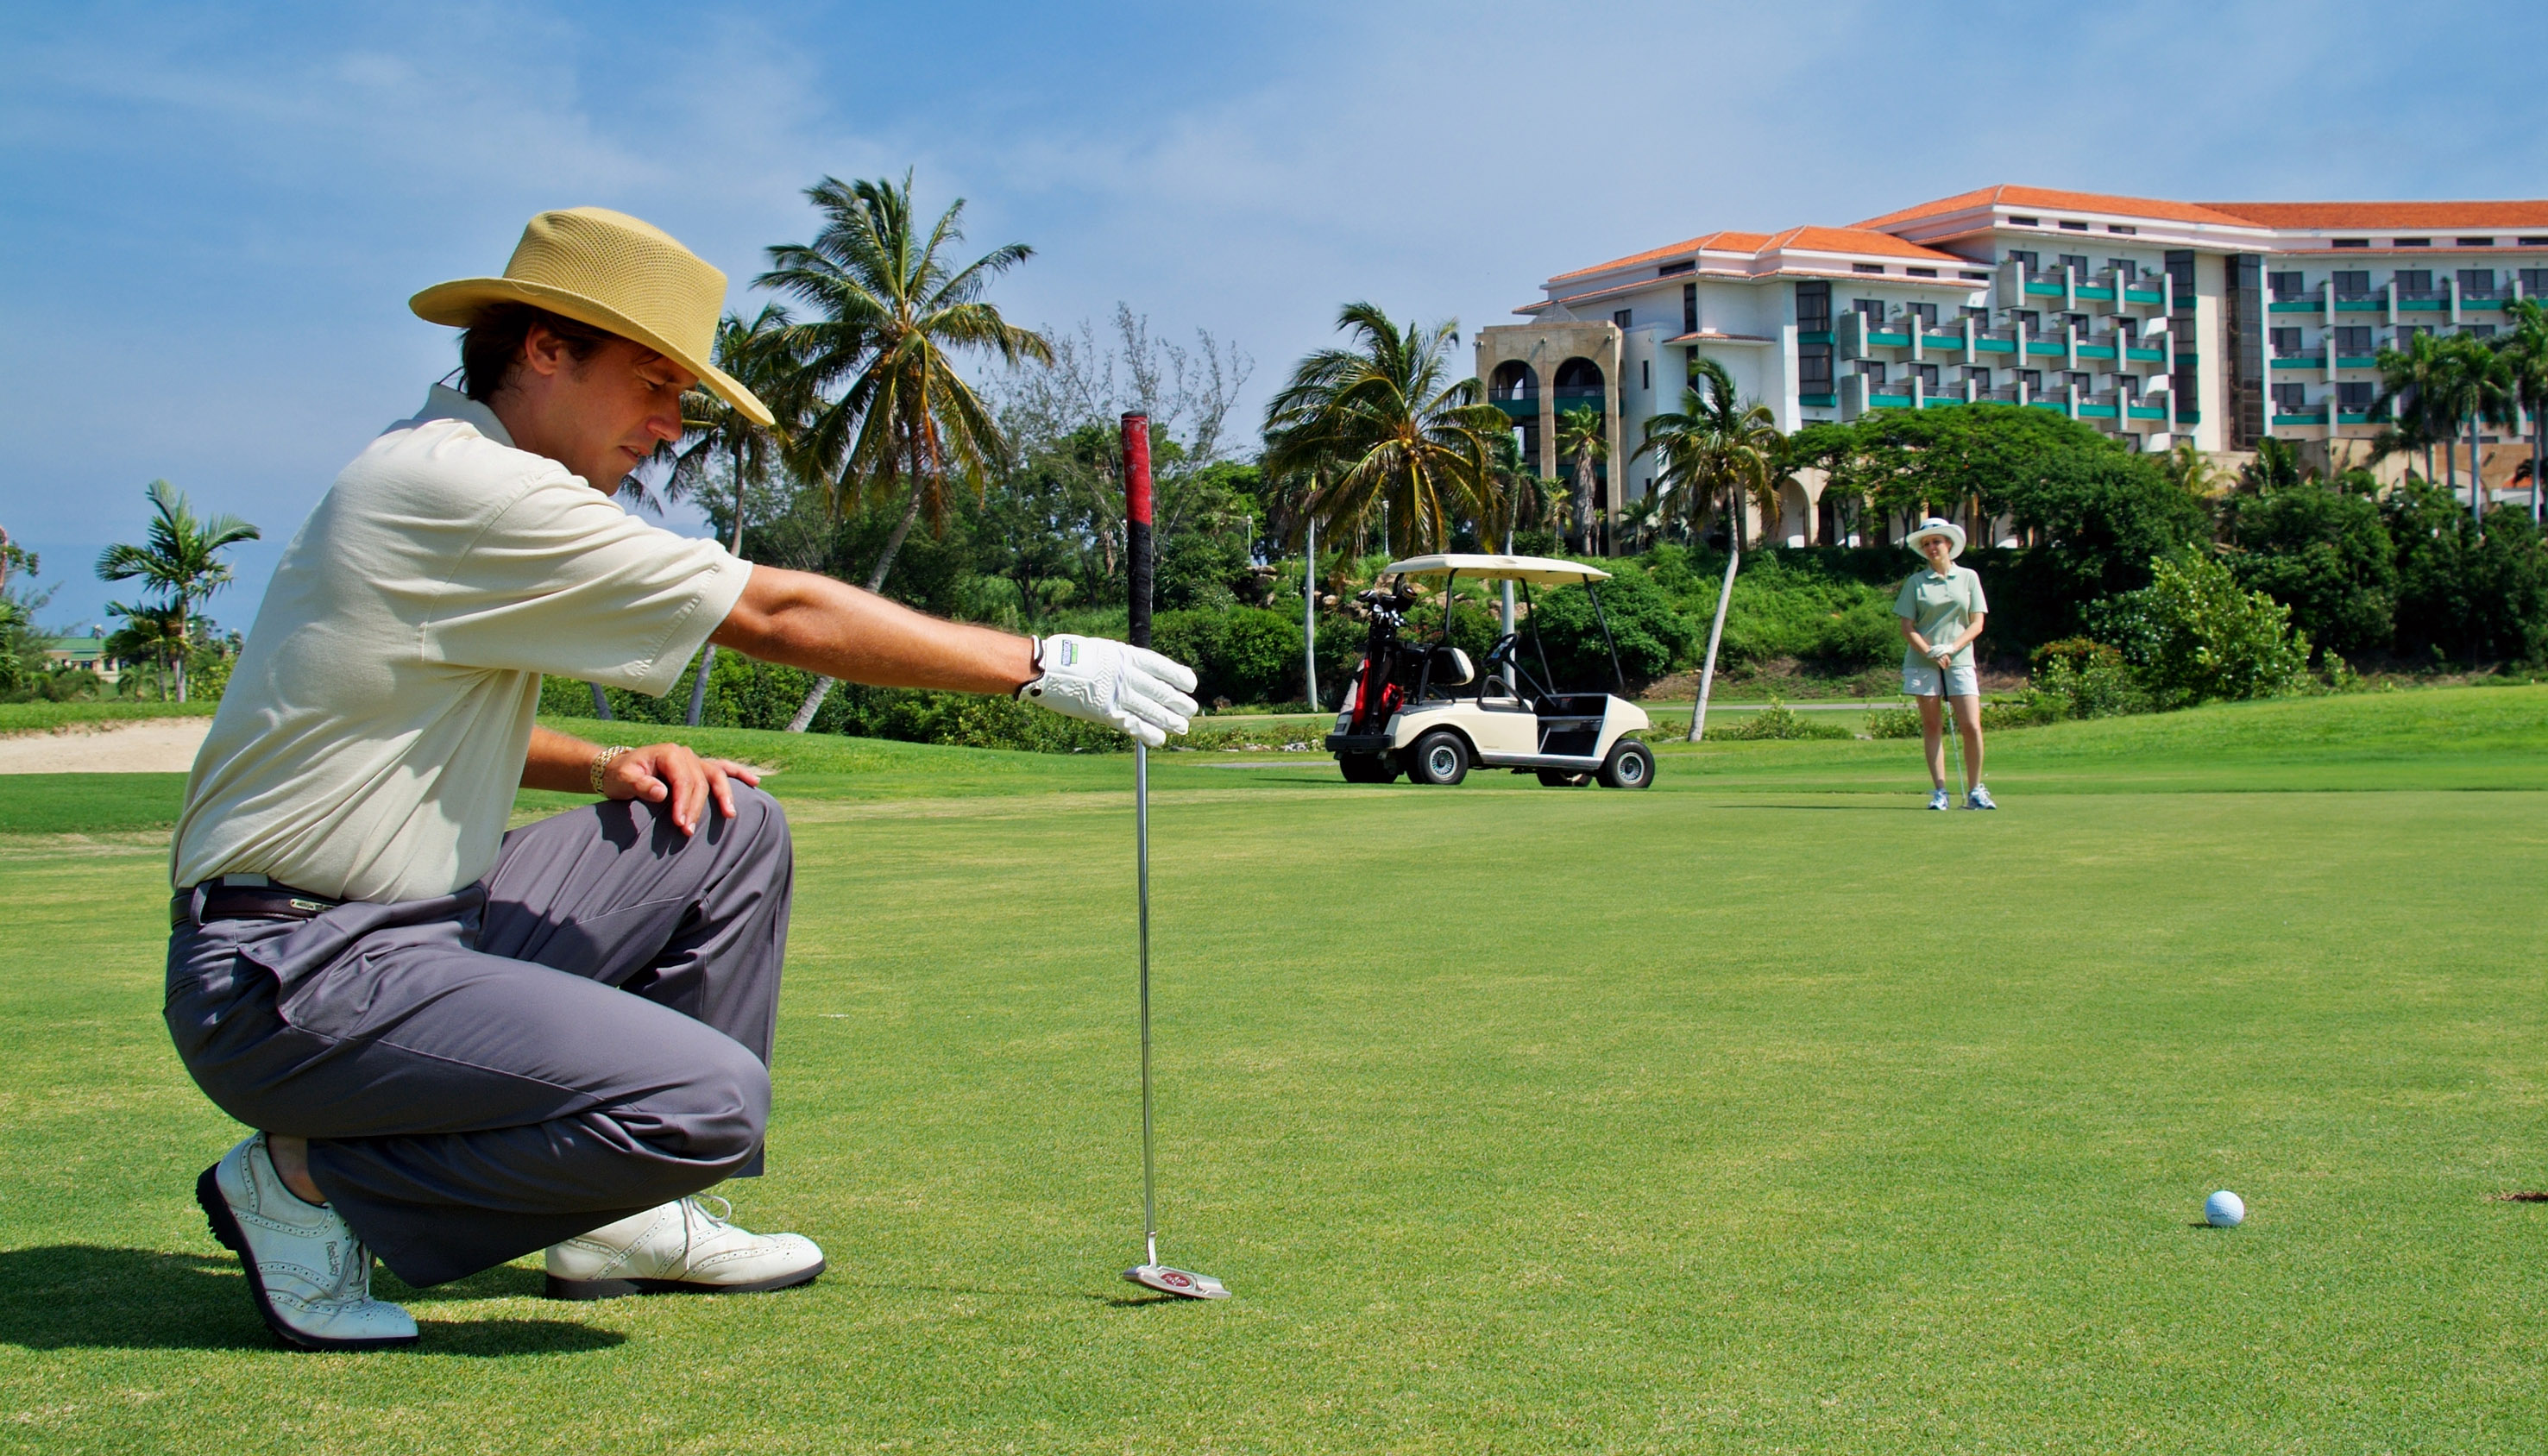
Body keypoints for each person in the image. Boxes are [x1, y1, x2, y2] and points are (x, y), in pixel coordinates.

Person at [166, 207, 1199, 1351]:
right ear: (546, 349)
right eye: (653, 381)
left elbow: (406, 724)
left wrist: (607, 762)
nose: (670, 426)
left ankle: (621, 1221)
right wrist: (1039, 664)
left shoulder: (464, 479)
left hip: (409, 937)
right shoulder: (460, 488)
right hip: (289, 973)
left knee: (724, 825)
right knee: (704, 1103)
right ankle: (307, 1185)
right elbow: (773, 610)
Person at [1894, 516, 1995, 811]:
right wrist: (1930, 651)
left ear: (1949, 544)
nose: (1932, 547)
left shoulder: (1969, 577)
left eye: (1936, 541)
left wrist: (1951, 647)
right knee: (1932, 725)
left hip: (1960, 659)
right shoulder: (1916, 582)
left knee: (1972, 726)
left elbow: (1977, 623)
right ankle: (1940, 791)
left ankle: (1976, 789)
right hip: (1923, 661)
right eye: (1926, 544)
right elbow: (1907, 627)